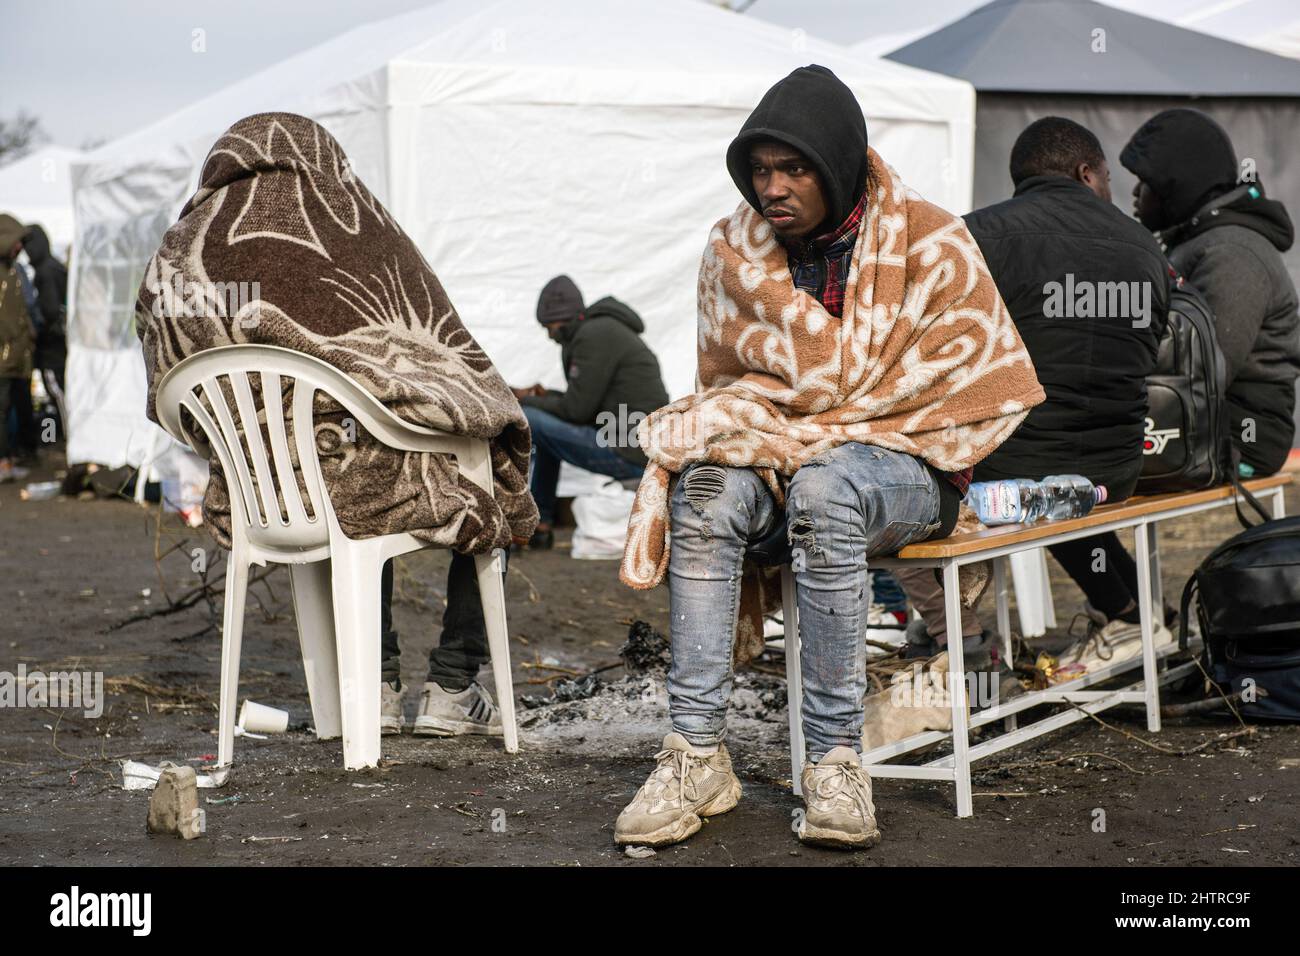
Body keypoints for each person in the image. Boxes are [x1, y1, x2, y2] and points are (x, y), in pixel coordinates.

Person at [614, 65, 1044, 850]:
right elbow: (727, 383)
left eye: (795, 168)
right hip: (778, 454)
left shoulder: (930, 239)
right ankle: (695, 752)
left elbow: (976, 380)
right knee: (705, 486)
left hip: (907, 461)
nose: (771, 187)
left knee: (827, 487)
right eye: (760, 170)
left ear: (838, 165)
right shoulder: (733, 250)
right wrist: (757, 432)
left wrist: (833, 433)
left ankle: (837, 761)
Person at [134, 113, 538, 747]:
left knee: (349, 459)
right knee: (460, 454)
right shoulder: (357, 227)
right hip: (355, 481)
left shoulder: (177, 256)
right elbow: (446, 356)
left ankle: (372, 686)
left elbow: (168, 398)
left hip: (259, 498)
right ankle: (455, 686)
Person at [896, 117, 1172, 655]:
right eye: (1110, 179)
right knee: (1060, 480)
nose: (1113, 192)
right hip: (1116, 469)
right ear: (1086, 172)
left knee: (912, 483)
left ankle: (963, 646)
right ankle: (1134, 614)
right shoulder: (1145, 246)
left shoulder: (976, 235)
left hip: (1008, 474)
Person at [1121, 108, 1300, 478]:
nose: (1136, 194)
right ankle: (1098, 539)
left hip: (1242, 436)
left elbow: (1205, 369)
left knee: (1082, 458)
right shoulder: (1199, 241)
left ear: (1178, 184)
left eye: (1146, 182)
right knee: (1070, 457)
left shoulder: (1233, 253)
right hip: (1200, 419)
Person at [513, 276, 669, 549]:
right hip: (633, 442)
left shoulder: (592, 335)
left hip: (630, 451)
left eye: (548, 327)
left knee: (530, 420)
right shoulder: (601, 329)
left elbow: (575, 410)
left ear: (558, 320)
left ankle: (526, 522)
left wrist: (525, 400)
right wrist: (544, 395)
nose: (549, 336)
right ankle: (539, 525)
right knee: (542, 424)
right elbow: (585, 403)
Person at [0, 213, 36, 482]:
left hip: (15, 357)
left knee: (12, 406)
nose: (20, 247)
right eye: (16, 241)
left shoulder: (12, 270)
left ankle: (8, 460)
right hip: (5, 356)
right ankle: (3, 464)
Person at [23, 224, 68, 428]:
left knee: (57, 392)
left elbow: (49, 310)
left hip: (52, 346)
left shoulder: (45, 272)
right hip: (61, 341)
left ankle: (62, 436)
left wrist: (36, 328)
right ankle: (61, 434)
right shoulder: (55, 266)